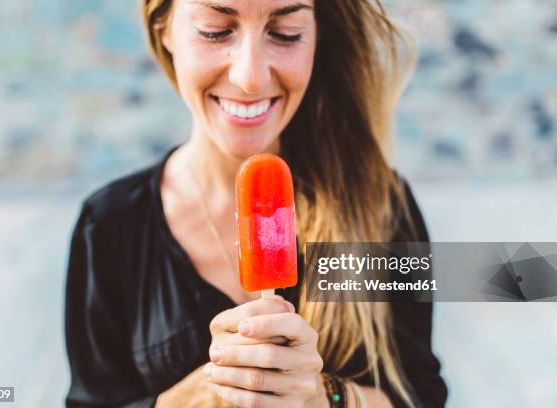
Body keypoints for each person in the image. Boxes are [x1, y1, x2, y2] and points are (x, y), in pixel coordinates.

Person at [64, 0, 448, 407]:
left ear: (318, 35)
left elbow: (420, 395)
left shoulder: (381, 208)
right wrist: (184, 402)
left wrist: (324, 398)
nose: (249, 77)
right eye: (215, 30)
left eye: (286, 33)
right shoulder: (108, 227)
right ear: (163, 29)